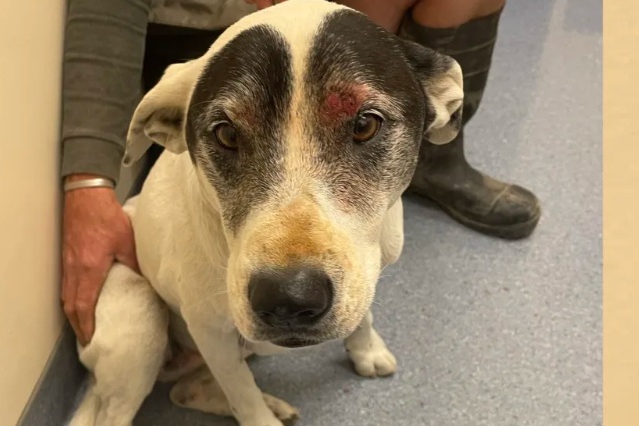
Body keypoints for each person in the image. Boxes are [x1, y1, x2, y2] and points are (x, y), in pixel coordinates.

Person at [60, 0, 541, 345]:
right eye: (227, 138)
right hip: (218, 34)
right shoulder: (187, 98)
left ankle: (436, 160)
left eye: (364, 128)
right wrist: (89, 179)